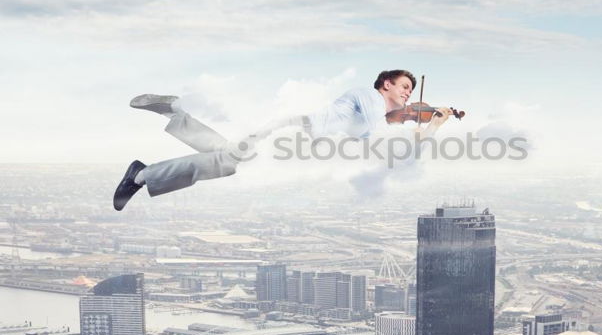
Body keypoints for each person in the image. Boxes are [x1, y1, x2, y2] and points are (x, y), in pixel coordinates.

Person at [113, 70, 453, 211]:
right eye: (404, 87)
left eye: (411, 90)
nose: (409, 95)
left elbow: (391, 146)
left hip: (294, 138)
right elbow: (382, 134)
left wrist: (432, 124)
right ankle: (141, 175)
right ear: (386, 86)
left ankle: (173, 109)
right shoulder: (369, 98)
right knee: (227, 162)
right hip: (291, 130)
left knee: (226, 155)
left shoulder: (373, 116)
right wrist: (422, 121)